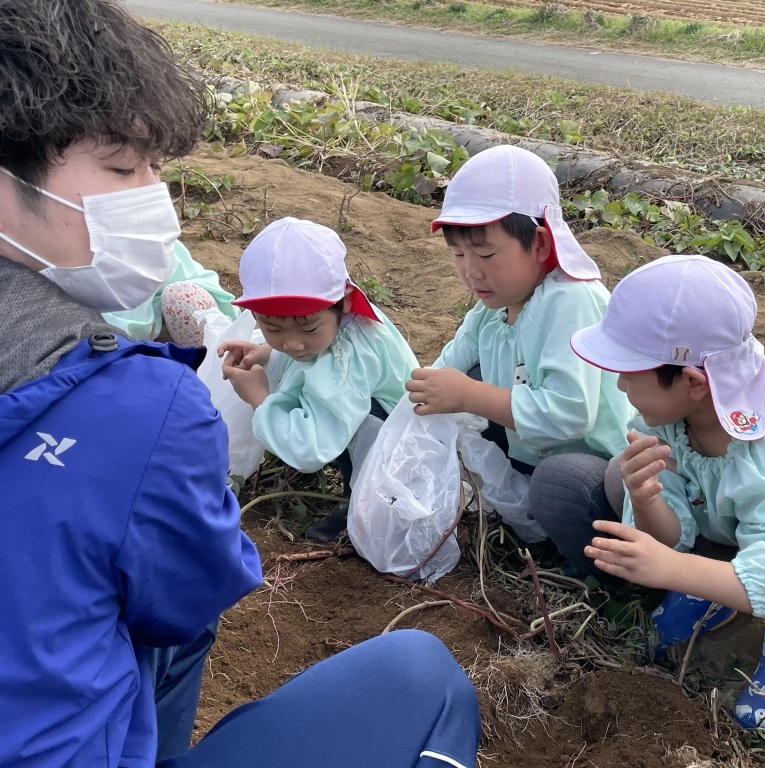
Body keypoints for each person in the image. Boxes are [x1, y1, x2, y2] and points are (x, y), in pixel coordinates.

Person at [0, 2, 481, 766]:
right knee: (422, 676)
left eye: (156, 169)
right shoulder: (144, 407)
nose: (152, 197)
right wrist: (261, 399)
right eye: (123, 170)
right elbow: (196, 588)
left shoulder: (332, 353)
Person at [555, 254, 765, 729]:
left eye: (630, 373)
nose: (619, 383)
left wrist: (673, 569)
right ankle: (716, 587)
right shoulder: (671, 415)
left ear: (693, 382)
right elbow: (671, 533)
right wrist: (648, 499)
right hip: (735, 526)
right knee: (624, 474)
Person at [405, 145, 635, 541]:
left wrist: (468, 395)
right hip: (531, 451)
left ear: (541, 244)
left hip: (594, 473)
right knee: (463, 382)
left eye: (486, 254)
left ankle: (587, 565)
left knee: (557, 482)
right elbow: (446, 369)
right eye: (458, 254)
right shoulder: (494, 306)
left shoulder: (571, 300)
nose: (470, 272)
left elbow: (569, 415)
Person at [219, 217, 419, 541]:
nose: (292, 344)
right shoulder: (337, 324)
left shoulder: (347, 358)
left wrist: (258, 398)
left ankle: (366, 508)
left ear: (343, 303)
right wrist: (267, 353)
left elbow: (310, 450)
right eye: (272, 328)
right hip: (385, 430)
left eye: (308, 328)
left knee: (349, 417)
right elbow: (303, 350)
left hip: (402, 456)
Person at [104, 240, 239, 346]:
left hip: (183, 320)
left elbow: (133, 318)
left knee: (180, 297)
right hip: (145, 332)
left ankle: (202, 364)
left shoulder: (147, 242)